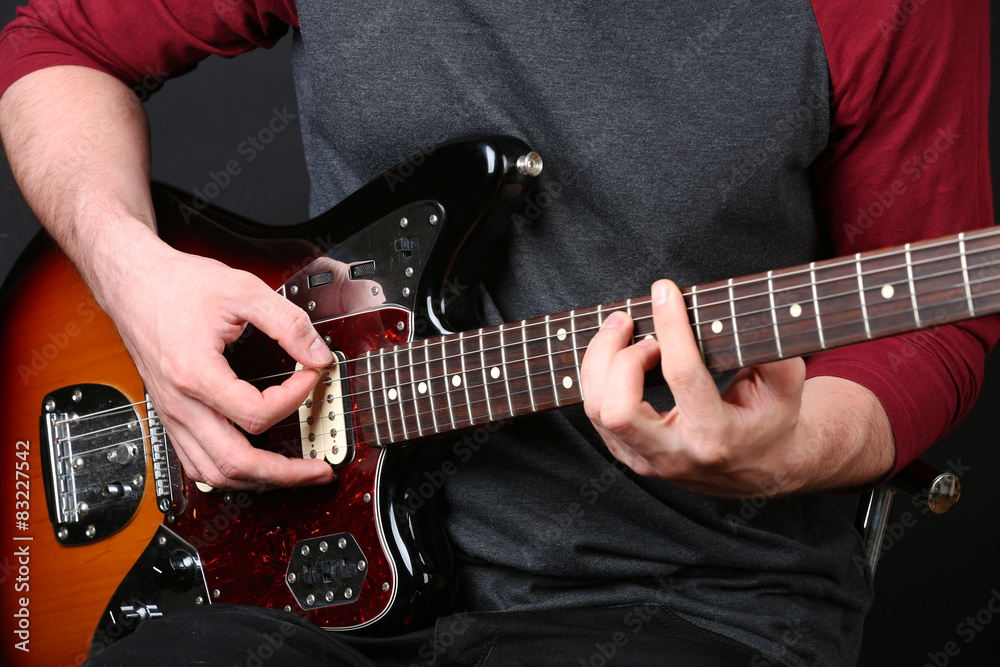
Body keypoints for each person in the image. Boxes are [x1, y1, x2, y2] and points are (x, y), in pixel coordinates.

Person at [0, 1, 995, 665]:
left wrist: (782, 449)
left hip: (693, 594)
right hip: (298, 568)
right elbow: (52, 47)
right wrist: (130, 271)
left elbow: (939, 322)